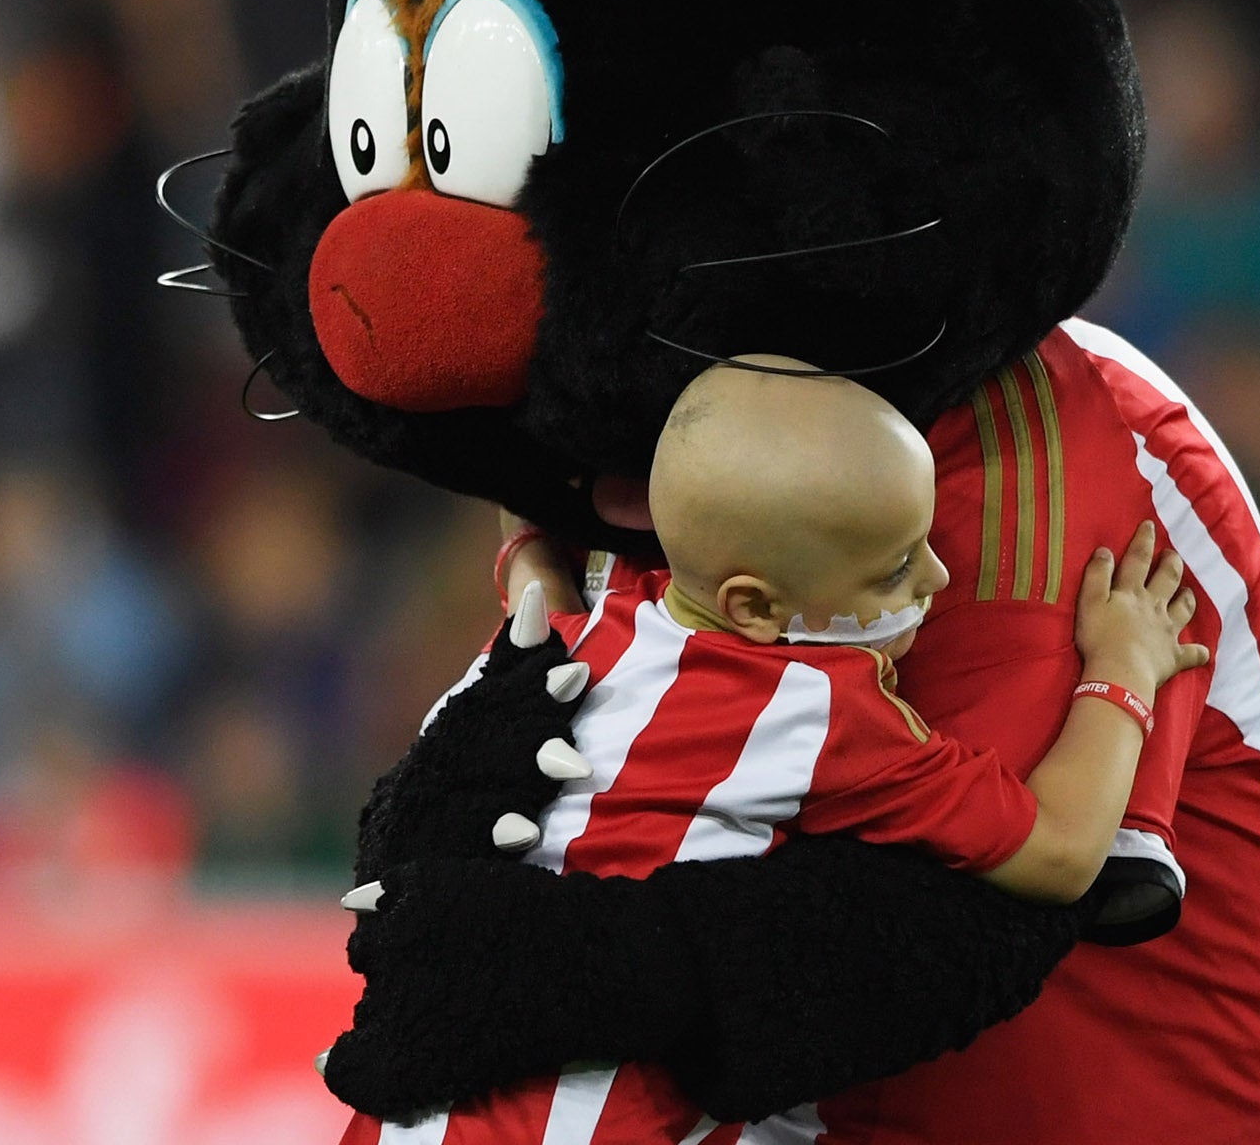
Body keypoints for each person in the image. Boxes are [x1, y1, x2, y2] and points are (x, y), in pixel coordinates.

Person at [340, 356, 1205, 1144]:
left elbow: (535, 574)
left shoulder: (587, 626)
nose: (939, 579)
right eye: (894, 569)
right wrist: (1123, 672)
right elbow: (1058, 853)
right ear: (755, 608)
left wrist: (529, 534)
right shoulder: (822, 710)